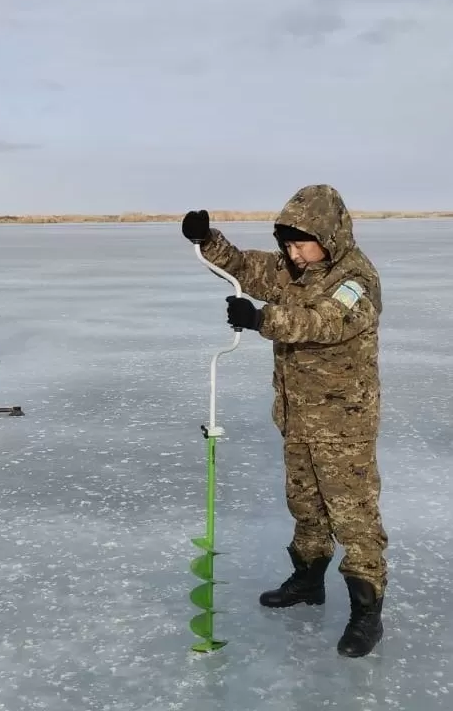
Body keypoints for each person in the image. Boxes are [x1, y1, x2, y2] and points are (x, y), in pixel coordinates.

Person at [181, 184, 387, 658]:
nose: (292, 253)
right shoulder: (291, 268)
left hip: (344, 421)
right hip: (296, 414)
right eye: (287, 244)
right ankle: (308, 580)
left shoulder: (356, 278)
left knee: (353, 516)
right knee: (305, 505)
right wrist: (206, 238)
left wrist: (261, 320)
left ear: (329, 236)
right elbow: (248, 267)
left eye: (301, 243)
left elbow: (325, 321)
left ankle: (366, 612)